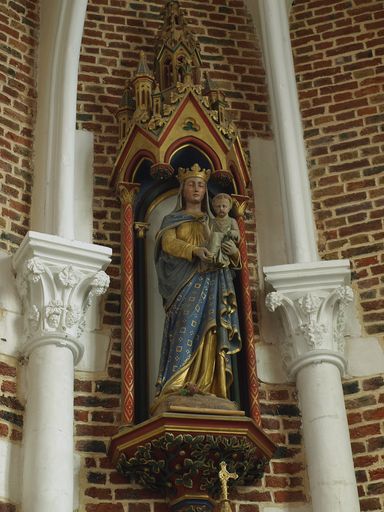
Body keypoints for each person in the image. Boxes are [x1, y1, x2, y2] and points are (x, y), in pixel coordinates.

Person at [153, 163, 241, 405]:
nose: (196, 188)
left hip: (212, 281)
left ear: (206, 192)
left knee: (212, 328)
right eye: (191, 183)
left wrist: (233, 253)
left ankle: (209, 386)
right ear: (182, 188)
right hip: (183, 284)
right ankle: (175, 386)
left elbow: (230, 255)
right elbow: (168, 244)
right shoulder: (172, 219)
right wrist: (194, 251)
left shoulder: (215, 221)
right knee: (185, 325)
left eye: (201, 184)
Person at [208, 193, 240, 269]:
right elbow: (208, 236)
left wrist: (234, 233)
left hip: (226, 248)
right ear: (214, 208)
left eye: (224, 206)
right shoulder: (211, 222)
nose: (221, 208)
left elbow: (238, 235)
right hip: (215, 250)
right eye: (218, 206)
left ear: (229, 208)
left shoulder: (232, 221)